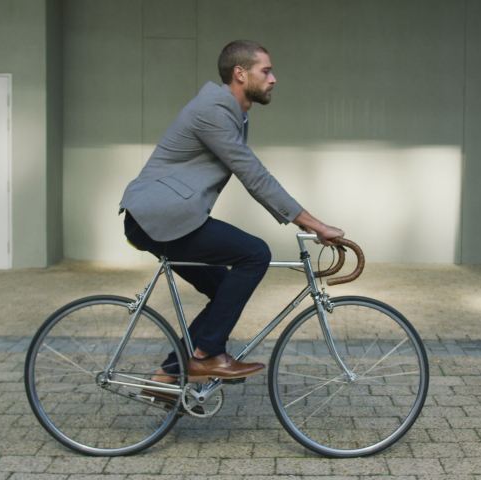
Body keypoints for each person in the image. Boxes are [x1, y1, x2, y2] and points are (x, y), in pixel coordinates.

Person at [119, 40, 345, 392]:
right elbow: (253, 175)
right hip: (157, 217)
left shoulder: (232, 112)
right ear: (240, 74)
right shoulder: (213, 109)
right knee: (254, 253)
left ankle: (166, 379)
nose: (274, 79)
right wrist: (315, 225)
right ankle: (207, 355)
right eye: (266, 71)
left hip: (163, 218)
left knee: (225, 290)